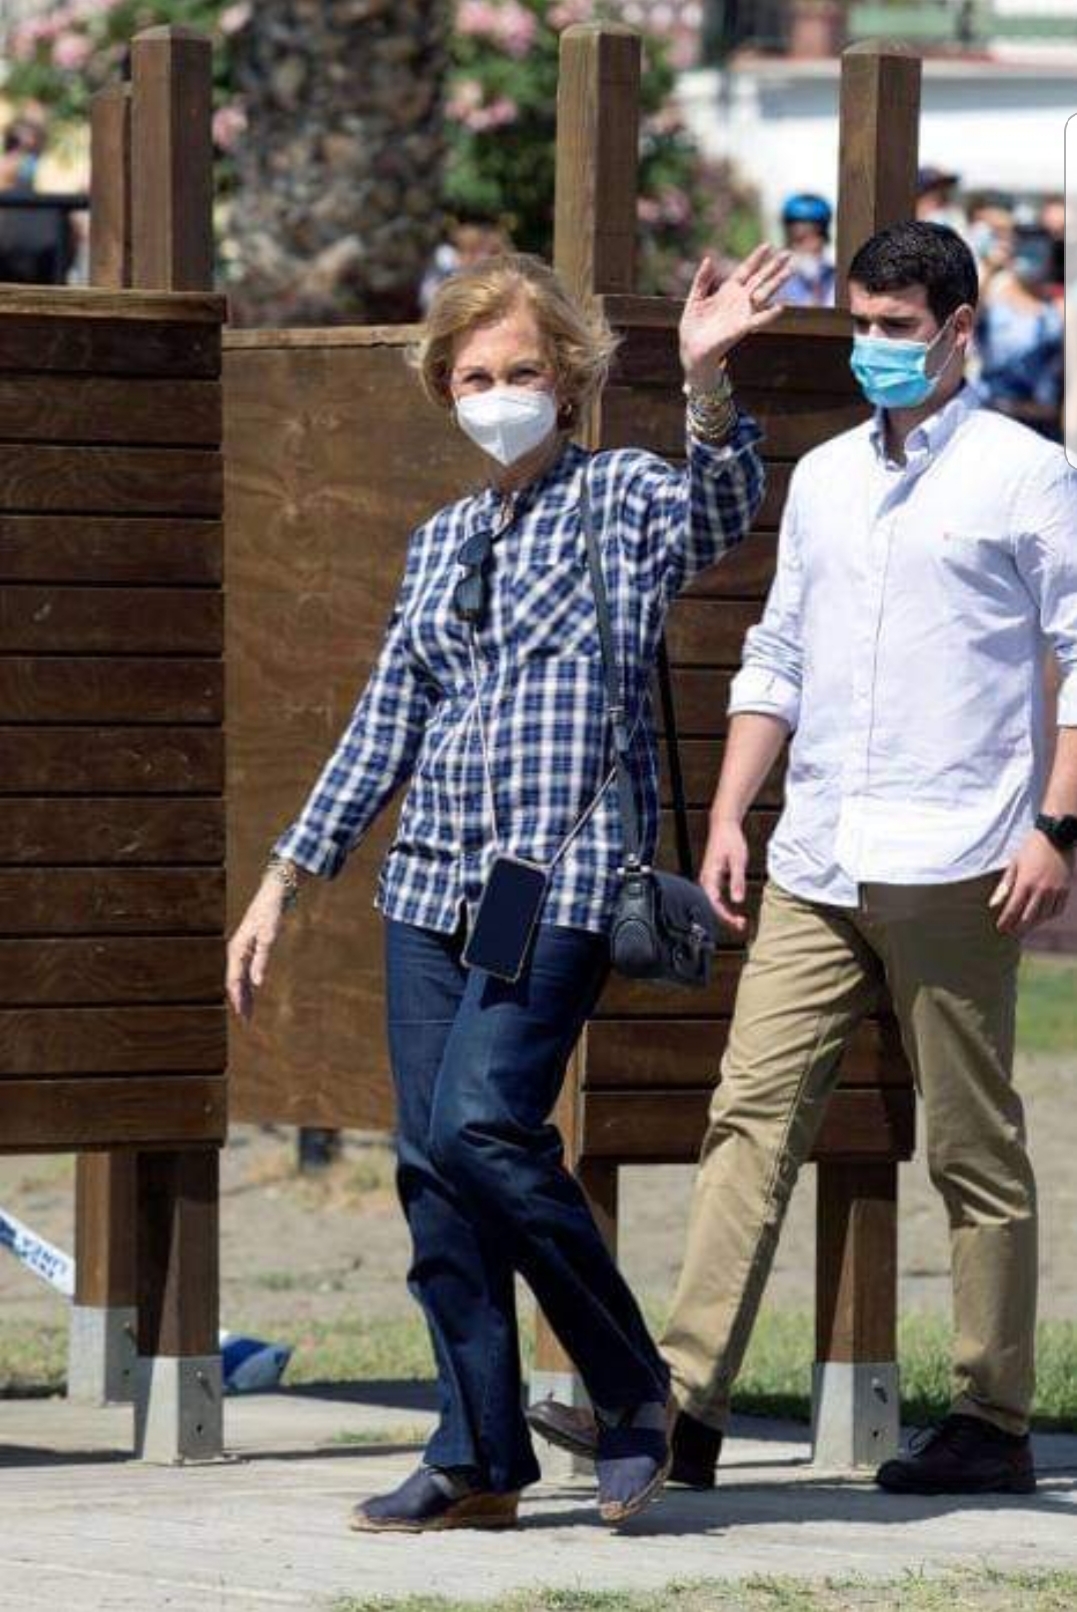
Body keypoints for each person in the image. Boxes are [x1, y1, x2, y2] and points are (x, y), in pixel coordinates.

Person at [227, 244, 791, 1531]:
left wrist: (706, 382)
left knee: (485, 1124)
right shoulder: (440, 542)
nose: (498, 395)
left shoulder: (622, 496)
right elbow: (385, 721)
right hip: (430, 886)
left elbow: (720, 510)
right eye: (475, 377)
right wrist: (282, 879)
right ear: (446, 390)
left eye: (522, 371)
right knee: (433, 1168)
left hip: (564, 875)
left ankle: (632, 1386)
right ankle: (477, 1452)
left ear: (571, 380)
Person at [528, 220, 1077, 1496]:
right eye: (862, 326)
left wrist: (1056, 828)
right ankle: (683, 1405)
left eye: (897, 329)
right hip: (817, 852)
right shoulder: (825, 476)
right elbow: (776, 652)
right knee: (748, 1116)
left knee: (971, 1143)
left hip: (961, 854)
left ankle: (992, 1415)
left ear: (958, 331)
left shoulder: (1027, 473)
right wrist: (730, 812)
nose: (875, 347)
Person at [976, 222, 1064, 441]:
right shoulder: (991, 301)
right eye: (1023, 249)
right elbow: (964, 321)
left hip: (1043, 428)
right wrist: (990, 267)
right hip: (993, 421)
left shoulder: (1059, 310)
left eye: (1037, 250)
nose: (1030, 258)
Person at [779, 193, 836, 308]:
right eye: (799, 239)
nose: (807, 246)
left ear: (825, 238)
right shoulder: (776, 281)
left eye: (814, 235)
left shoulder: (835, 279)